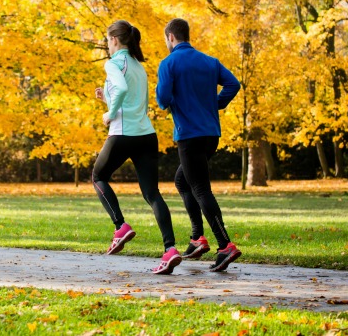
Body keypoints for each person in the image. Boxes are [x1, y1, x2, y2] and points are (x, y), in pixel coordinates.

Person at [93, 20, 181, 275]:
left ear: (115, 40)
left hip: (123, 133)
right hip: (146, 134)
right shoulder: (138, 66)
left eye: (107, 40)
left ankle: (120, 226)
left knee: (98, 176)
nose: (107, 44)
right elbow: (130, 98)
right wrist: (107, 98)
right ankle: (170, 249)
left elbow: (120, 89)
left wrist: (109, 112)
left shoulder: (113, 63)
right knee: (152, 194)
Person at [156, 18, 242, 272]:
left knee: (201, 189)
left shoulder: (168, 63)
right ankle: (197, 239)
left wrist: (175, 100)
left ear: (170, 37)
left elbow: (162, 99)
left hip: (189, 135)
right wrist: (215, 103)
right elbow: (233, 84)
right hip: (210, 135)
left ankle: (225, 245)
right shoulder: (209, 61)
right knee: (183, 181)